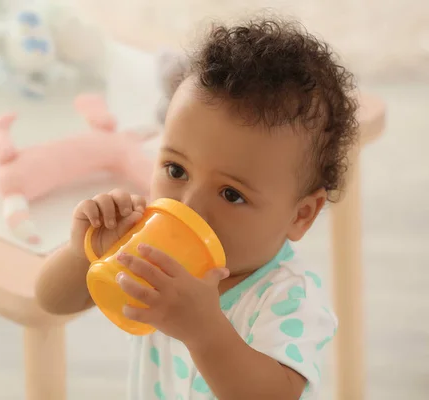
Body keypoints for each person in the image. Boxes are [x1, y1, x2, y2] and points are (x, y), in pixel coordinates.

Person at [35, 17, 358, 400]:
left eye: (232, 194)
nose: (189, 206)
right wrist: (83, 252)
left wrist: (204, 331)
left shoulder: (288, 297)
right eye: (176, 170)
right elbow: (51, 300)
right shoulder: (151, 250)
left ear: (300, 215)